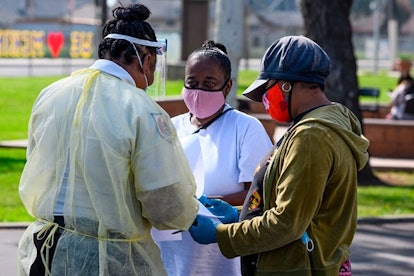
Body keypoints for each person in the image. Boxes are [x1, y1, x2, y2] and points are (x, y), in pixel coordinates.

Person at [17, 4, 199, 275]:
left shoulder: (52, 93)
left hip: (44, 251)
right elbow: (165, 203)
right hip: (107, 258)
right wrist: (193, 214)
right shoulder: (141, 110)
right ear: (146, 59)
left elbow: (38, 163)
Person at [188, 35, 370, 275]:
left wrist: (221, 234)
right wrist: (239, 214)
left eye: (267, 90)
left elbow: (287, 223)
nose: (265, 101)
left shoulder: (312, 136)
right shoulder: (319, 127)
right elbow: (298, 207)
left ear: (287, 85)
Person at [155, 40, 273, 275]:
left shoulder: (246, 127)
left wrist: (213, 204)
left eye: (209, 84)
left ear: (227, 87)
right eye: (192, 83)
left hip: (222, 252)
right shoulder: (170, 126)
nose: (199, 91)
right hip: (173, 251)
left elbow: (259, 194)